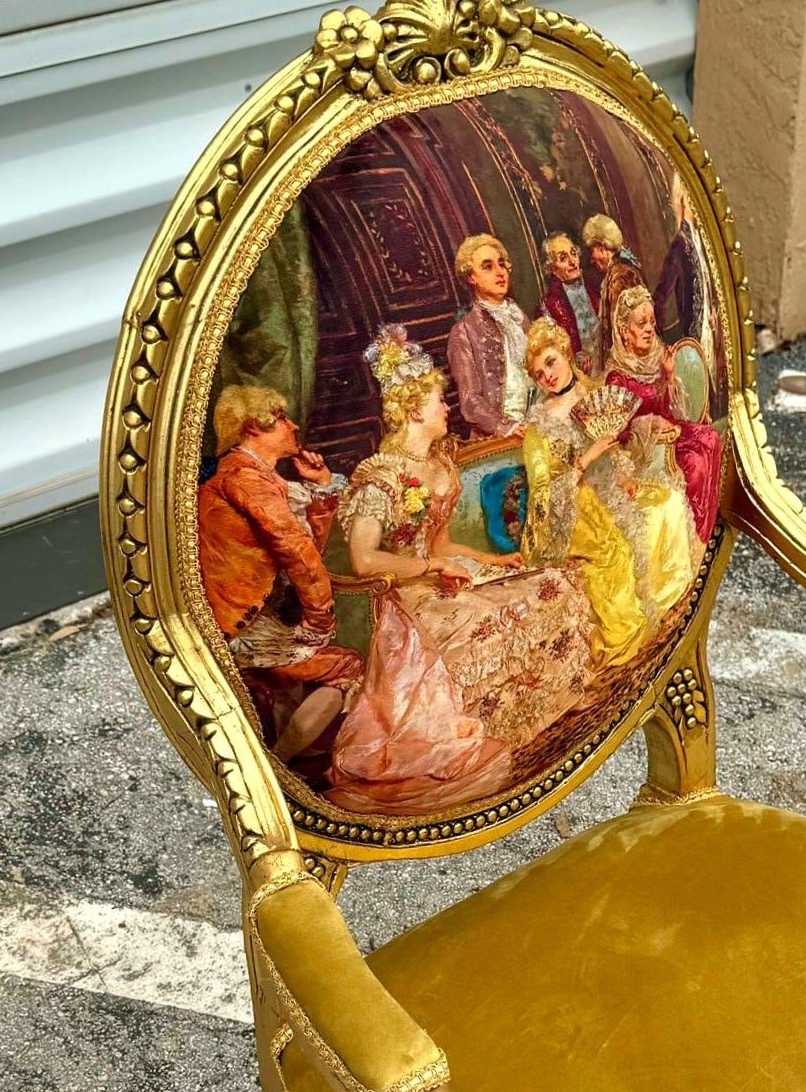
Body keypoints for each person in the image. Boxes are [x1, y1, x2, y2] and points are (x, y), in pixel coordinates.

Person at [328, 329, 593, 814]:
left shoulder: (441, 467)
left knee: (552, 584)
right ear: (414, 411)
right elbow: (364, 560)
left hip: (444, 578)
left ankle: (550, 700)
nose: (446, 409)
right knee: (488, 620)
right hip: (406, 601)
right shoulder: (379, 477)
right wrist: (431, 566)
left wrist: (493, 561)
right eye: (437, 401)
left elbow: (443, 544)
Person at [196, 383, 364, 760]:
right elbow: (297, 551)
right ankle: (278, 765)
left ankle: (285, 753)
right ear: (253, 427)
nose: (293, 426)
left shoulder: (257, 476)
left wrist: (322, 486)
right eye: (281, 418)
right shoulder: (244, 479)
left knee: (327, 667)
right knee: (349, 667)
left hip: (259, 615)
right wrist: (320, 617)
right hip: (242, 624)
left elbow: (307, 548)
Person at [521, 318, 696, 666]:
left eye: (551, 362)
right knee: (621, 546)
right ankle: (635, 625)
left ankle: (668, 600)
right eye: (539, 374)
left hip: (609, 486)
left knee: (669, 502)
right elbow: (543, 492)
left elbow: (614, 451)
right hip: (576, 504)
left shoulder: (590, 393)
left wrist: (625, 477)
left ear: (565, 353)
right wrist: (587, 458)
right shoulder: (539, 425)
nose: (548, 376)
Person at [605, 283, 724, 544]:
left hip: (669, 433)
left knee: (711, 438)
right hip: (645, 451)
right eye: (641, 323)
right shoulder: (617, 376)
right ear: (624, 331)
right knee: (695, 464)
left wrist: (668, 378)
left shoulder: (658, 355)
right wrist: (648, 424)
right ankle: (692, 537)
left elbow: (668, 409)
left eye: (651, 322)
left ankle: (703, 532)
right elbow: (618, 435)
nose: (649, 329)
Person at [445, 233, 531, 439]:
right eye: (487, 267)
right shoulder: (464, 331)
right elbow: (470, 401)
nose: (499, 272)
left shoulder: (519, 318)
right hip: (498, 437)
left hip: (536, 422)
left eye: (501, 264)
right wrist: (506, 427)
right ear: (471, 277)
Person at [651, 179, 718, 393]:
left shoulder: (700, 239)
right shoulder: (680, 245)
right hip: (694, 338)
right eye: (692, 197)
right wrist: (661, 340)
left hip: (710, 332)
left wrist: (713, 310)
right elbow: (660, 296)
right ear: (683, 200)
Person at [580, 214, 641, 377]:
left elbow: (621, 330)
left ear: (601, 247)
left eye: (592, 251)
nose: (591, 259)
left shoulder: (618, 277)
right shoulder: (622, 268)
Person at [539, 231, 602, 367]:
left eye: (573, 253)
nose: (573, 262)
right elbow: (554, 353)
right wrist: (573, 358)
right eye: (563, 258)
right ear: (552, 268)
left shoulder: (595, 286)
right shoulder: (549, 305)